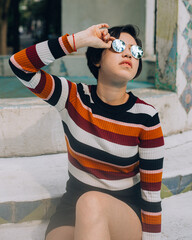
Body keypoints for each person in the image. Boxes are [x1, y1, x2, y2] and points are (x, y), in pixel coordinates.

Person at [9, 23, 164, 240]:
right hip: (73, 204)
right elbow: (19, 65)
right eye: (119, 46)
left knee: (91, 202)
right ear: (96, 58)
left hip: (125, 212)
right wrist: (79, 40)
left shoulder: (146, 116)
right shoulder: (72, 97)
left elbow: (151, 192)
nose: (129, 53)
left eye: (136, 51)